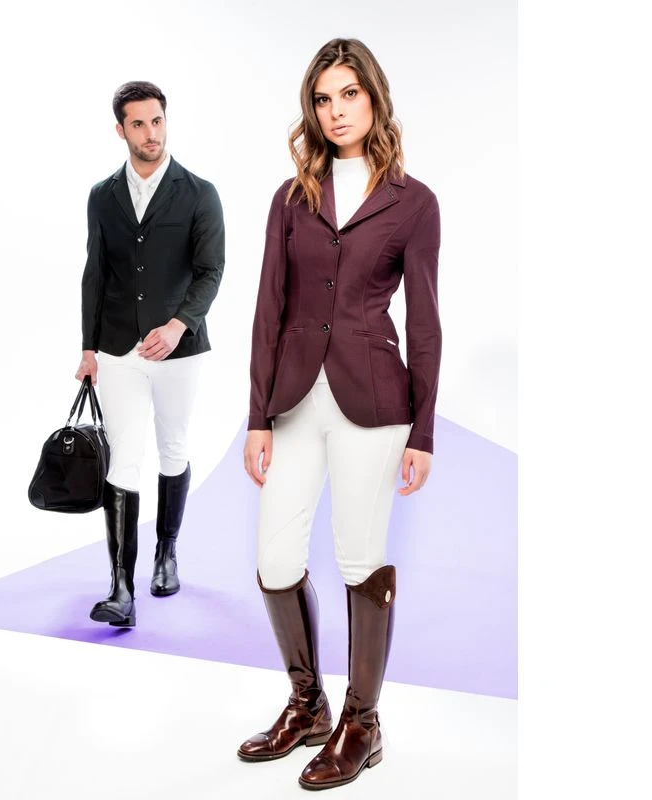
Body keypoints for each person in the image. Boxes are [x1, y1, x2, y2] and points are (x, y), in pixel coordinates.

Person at [237, 39, 441, 790]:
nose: (336, 110)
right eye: (323, 99)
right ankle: (308, 706)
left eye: (349, 93)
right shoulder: (291, 198)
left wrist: (424, 430)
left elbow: (425, 322)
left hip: (375, 404)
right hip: (294, 398)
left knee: (359, 557)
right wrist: (257, 416)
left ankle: (363, 722)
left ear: (374, 98)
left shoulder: (413, 202)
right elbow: (268, 308)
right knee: (276, 558)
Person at [76, 81, 225, 628]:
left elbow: (211, 270)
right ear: (121, 130)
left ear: (166, 121)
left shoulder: (199, 193)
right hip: (119, 349)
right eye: (138, 124)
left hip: (179, 351)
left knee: (173, 447)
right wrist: (88, 348)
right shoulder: (102, 195)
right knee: (124, 458)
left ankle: (166, 553)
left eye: (157, 121)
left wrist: (179, 325)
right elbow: (95, 273)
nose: (150, 133)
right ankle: (121, 588)